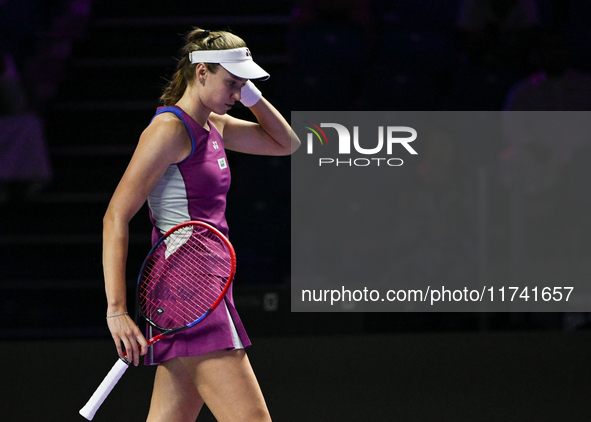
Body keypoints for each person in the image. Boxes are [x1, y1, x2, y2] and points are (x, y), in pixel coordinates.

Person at [102, 28, 300, 422]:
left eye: (241, 85)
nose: (236, 93)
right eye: (231, 83)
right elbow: (115, 216)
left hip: (205, 283)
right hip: (188, 287)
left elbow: (287, 143)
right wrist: (116, 309)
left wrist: (250, 95)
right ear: (202, 72)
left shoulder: (215, 126)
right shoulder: (169, 130)